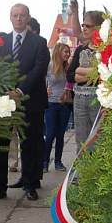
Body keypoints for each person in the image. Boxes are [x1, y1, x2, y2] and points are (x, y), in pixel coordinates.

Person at [0, 3, 49, 202]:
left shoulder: (39, 42)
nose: (18, 19)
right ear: (10, 17)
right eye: (15, 15)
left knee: (30, 144)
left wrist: (20, 91)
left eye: (22, 15)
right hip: (4, 101)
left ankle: (30, 184)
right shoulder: (1, 42)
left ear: (28, 17)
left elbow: (38, 70)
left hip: (30, 101)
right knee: (2, 146)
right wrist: (5, 91)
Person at [66, 10, 104, 151]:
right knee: (81, 139)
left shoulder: (105, 50)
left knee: (97, 139)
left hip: (98, 99)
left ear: (98, 28)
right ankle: (80, 171)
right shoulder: (80, 49)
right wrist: (93, 73)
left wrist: (81, 71)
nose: (84, 29)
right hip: (80, 98)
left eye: (88, 26)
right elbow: (70, 75)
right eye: (83, 25)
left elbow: (105, 76)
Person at [44, 42, 72, 172]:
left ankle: (58, 162)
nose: (67, 54)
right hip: (51, 104)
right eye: (65, 51)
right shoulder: (49, 66)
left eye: (68, 52)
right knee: (50, 134)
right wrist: (45, 90)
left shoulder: (68, 68)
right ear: (58, 52)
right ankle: (44, 162)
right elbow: (41, 80)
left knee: (60, 135)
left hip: (64, 105)